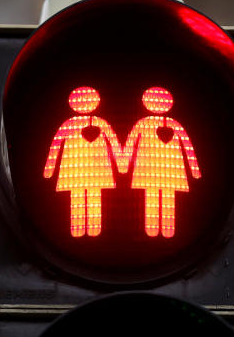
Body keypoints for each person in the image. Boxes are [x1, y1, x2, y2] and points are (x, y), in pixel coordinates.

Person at [43, 86, 124, 237]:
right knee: (80, 197)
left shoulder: (98, 124)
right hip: (80, 171)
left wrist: (121, 162)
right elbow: (56, 144)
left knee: (91, 197)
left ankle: (92, 229)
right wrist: (49, 167)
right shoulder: (71, 124)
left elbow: (113, 141)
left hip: (81, 171)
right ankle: (80, 228)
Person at [121, 86, 201, 238]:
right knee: (155, 197)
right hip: (163, 171)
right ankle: (156, 230)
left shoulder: (170, 125)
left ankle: (166, 229)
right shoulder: (148, 124)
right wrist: (123, 163)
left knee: (166, 199)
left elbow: (187, 146)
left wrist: (195, 169)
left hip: (159, 171)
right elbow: (131, 141)